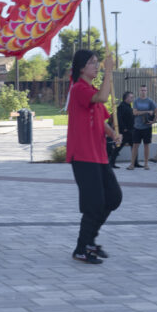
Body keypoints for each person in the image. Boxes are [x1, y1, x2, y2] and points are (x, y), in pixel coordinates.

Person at [65, 50, 122, 264]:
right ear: (81, 68)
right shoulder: (79, 88)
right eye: (92, 63)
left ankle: (90, 240)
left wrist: (113, 134)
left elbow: (101, 119)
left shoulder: (91, 89)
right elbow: (102, 98)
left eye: (98, 63)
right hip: (83, 155)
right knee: (94, 204)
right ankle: (82, 247)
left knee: (113, 197)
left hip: (99, 156)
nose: (96, 66)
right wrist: (109, 72)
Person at [130, 84, 157, 171]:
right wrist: (147, 111)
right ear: (139, 91)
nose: (143, 92)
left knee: (146, 145)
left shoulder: (150, 101)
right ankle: (132, 164)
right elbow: (134, 113)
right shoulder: (136, 101)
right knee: (135, 145)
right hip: (137, 127)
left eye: (145, 90)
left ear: (147, 91)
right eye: (142, 90)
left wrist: (154, 121)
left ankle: (146, 164)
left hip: (147, 127)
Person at [113, 92, 134, 169]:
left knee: (134, 146)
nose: (132, 99)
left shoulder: (128, 106)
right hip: (125, 131)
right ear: (126, 98)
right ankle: (111, 162)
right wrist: (124, 128)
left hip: (130, 130)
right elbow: (119, 118)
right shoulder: (122, 106)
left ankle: (135, 162)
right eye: (131, 97)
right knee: (118, 146)